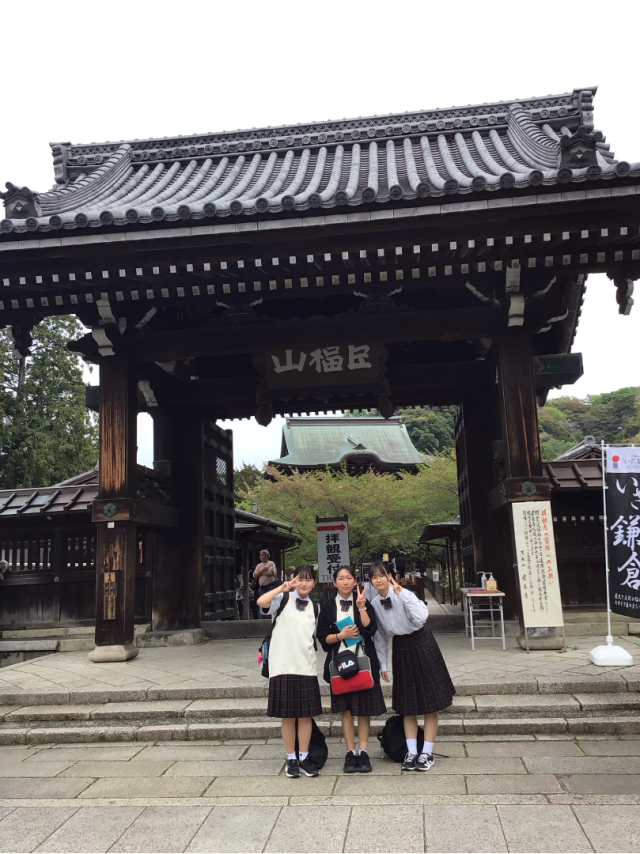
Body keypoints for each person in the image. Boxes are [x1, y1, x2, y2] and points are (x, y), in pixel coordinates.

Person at [369, 560, 455, 772]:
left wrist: (402, 594)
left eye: (382, 575)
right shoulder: (374, 604)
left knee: (430, 703)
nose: (378, 580)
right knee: (406, 705)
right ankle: (412, 752)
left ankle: (427, 753)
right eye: (374, 577)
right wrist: (383, 664)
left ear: (390, 576)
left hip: (422, 642)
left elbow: (422, 616)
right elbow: (380, 637)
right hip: (400, 647)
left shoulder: (404, 594)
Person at [317, 566, 385, 773]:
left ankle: (363, 752)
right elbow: (323, 639)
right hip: (340, 664)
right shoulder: (328, 607)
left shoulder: (364, 602)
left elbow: (370, 629)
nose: (345, 582)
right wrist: (341, 635)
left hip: (364, 662)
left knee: (364, 710)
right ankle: (350, 752)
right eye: (341, 578)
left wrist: (362, 608)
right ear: (335, 582)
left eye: (349, 578)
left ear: (355, 581)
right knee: (346, 711)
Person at [257, 565, 322, 779]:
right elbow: (261, 602)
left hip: (306, 666)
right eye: (300, 579)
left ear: (314, 583)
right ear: (293, 580)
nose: (304, 583)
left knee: (305, 715)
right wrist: (281, 588)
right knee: (288, 715)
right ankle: (291, 758)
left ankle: (304, 756)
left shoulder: (315, 607)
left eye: (308, 580)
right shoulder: (282, 599)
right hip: (283, 665)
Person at [253, 549, 278, 619]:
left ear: (267, 556)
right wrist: (262, 570)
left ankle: (271, 616)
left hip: (270, 585)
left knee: (270, 600)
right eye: (260, 555)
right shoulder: (259, 565)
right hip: (262, 586)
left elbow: (271, 573)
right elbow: (254, 575)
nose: (261, 556)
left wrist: (260, 573)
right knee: (263, 601)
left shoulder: (271, 563)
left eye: (263, 555)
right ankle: (265, 617)